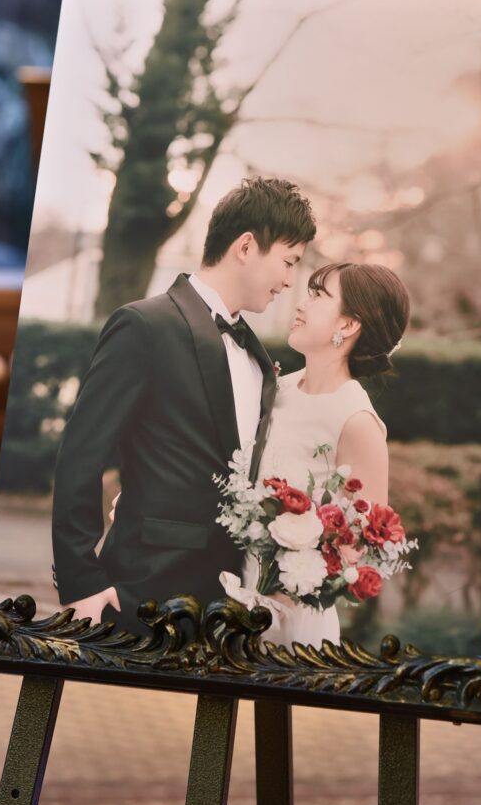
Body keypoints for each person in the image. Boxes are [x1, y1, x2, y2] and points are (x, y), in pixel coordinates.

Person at [51, 177, 316, 634]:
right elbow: (81, 454)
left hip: (230, 606)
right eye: (288, 261)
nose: (289, 280)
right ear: (246, 246)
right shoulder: (144, 326)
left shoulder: (258, 357)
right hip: (142, 591)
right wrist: (81, 581)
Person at [230, 261, 410, 649]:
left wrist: (290, 589)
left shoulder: (356, 420)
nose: (301, 303)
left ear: (349, 324)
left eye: (318, 295)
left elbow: (363, 543)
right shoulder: (278, 388)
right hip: (234, 595)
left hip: (291, 621)